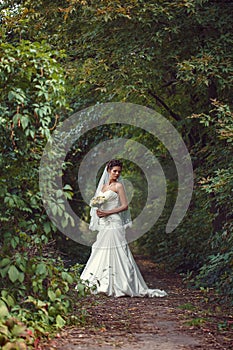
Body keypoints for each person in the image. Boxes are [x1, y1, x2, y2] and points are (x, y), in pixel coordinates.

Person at [79, 159, 167, 298]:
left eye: (119, 171)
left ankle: (122, 283)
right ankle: (100, 282)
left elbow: (124, 206)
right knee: (101, 250)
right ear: (108, 170)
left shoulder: (119, 186)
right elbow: (98, 204)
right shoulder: (102, 188)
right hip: (104, 223)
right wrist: (98, 210)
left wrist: (108, 212)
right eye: (114, 171)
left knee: (118, 249)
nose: (117, 173)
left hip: (114, 222)